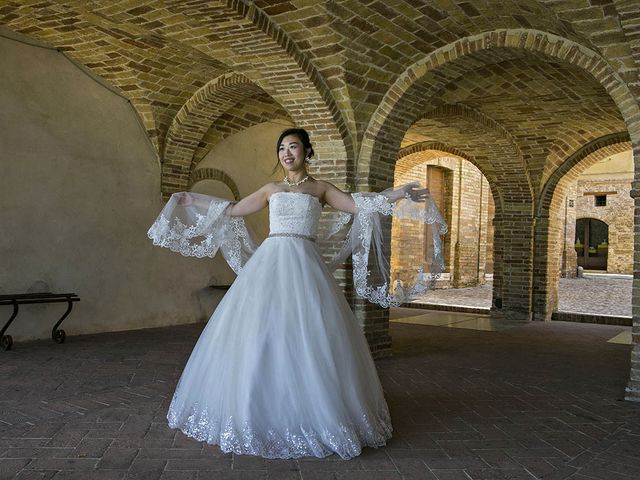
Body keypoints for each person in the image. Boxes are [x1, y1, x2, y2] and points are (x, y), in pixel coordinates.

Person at [148, 128, 447, 459]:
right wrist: (193, 200)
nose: (286, 153)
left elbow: (358, 205)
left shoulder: (320, 189)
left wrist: (400, 192)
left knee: (310, 332)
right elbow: (233, 210)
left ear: (307, 151)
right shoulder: (270, 189)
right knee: (259, 330)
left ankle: (312, 407)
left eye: (293, 147)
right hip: (271, 262)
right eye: (281, 148)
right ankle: (253, 404)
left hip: (306, 264)